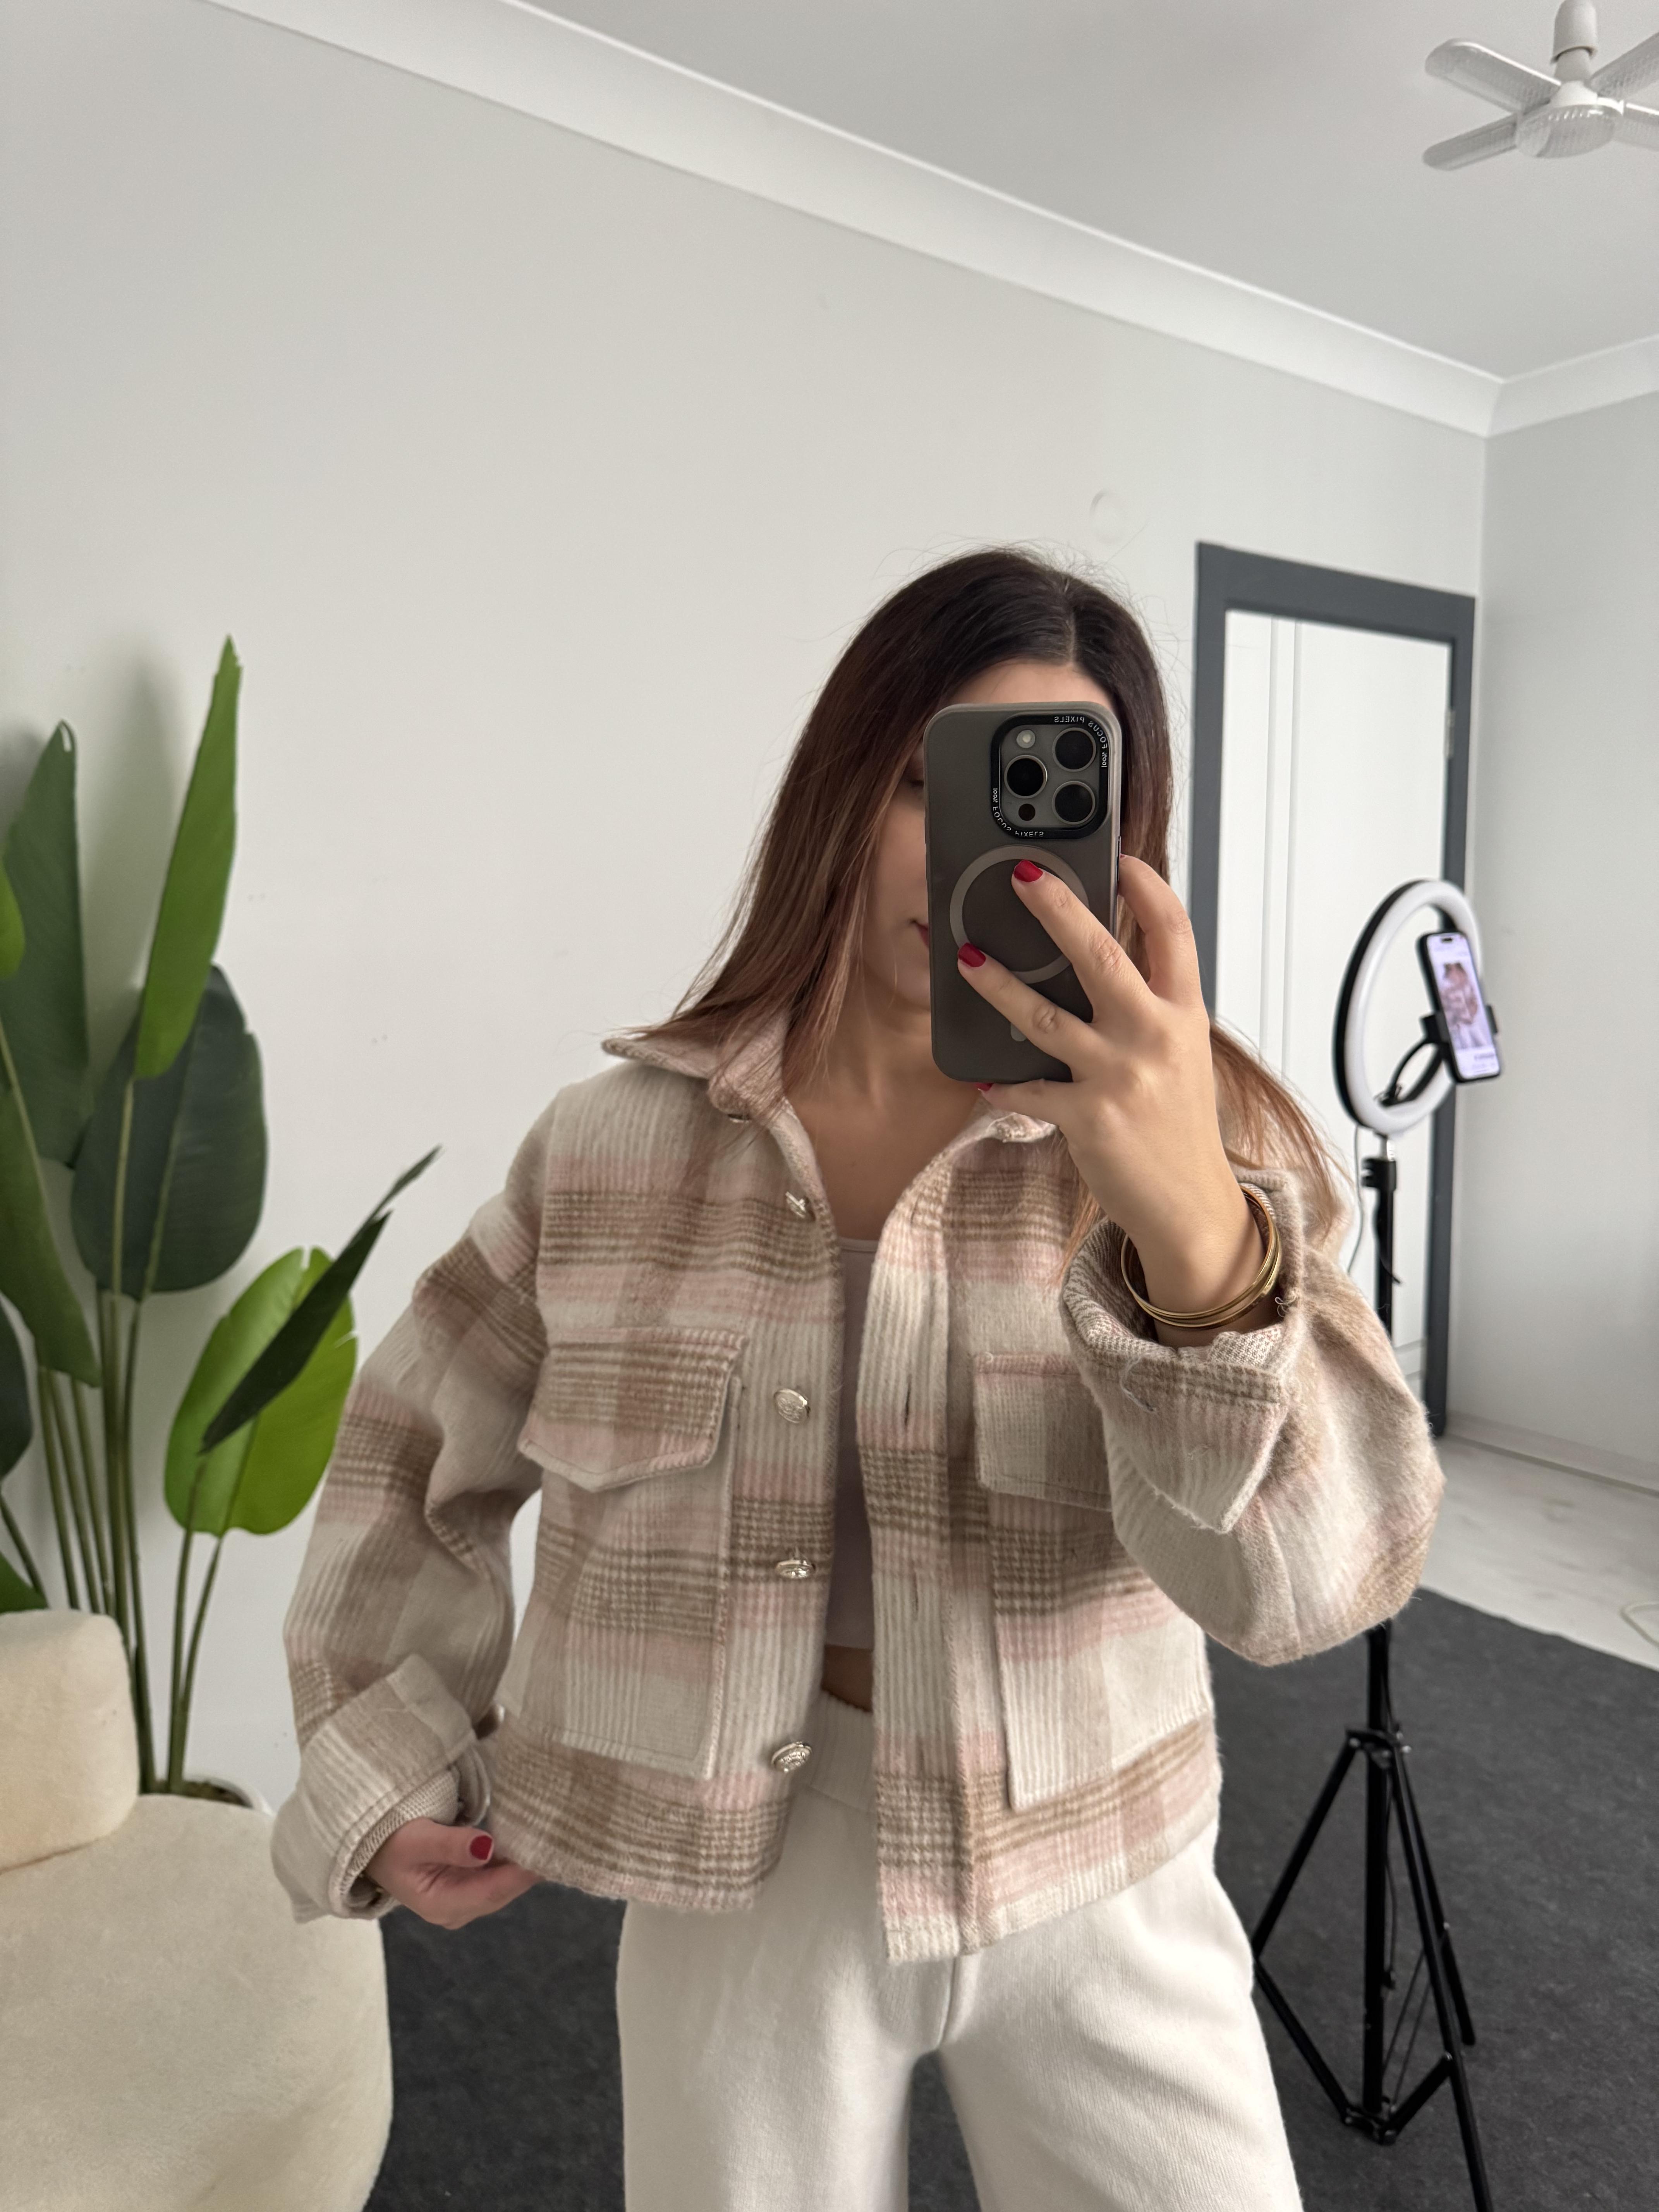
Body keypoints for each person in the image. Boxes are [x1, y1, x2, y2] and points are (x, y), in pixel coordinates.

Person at [271, 548, 1444, 2212]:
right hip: (742, 1871)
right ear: (839, 792)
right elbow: (410, 1453)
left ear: (1119, 847)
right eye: (925, 782)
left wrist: (1191, 1229)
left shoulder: (1215, 1147)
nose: (971, 851)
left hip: (1102, 1854)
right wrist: (389, 1760)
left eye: (1045, 799)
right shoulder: (611, 1149)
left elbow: (1317, 1586)